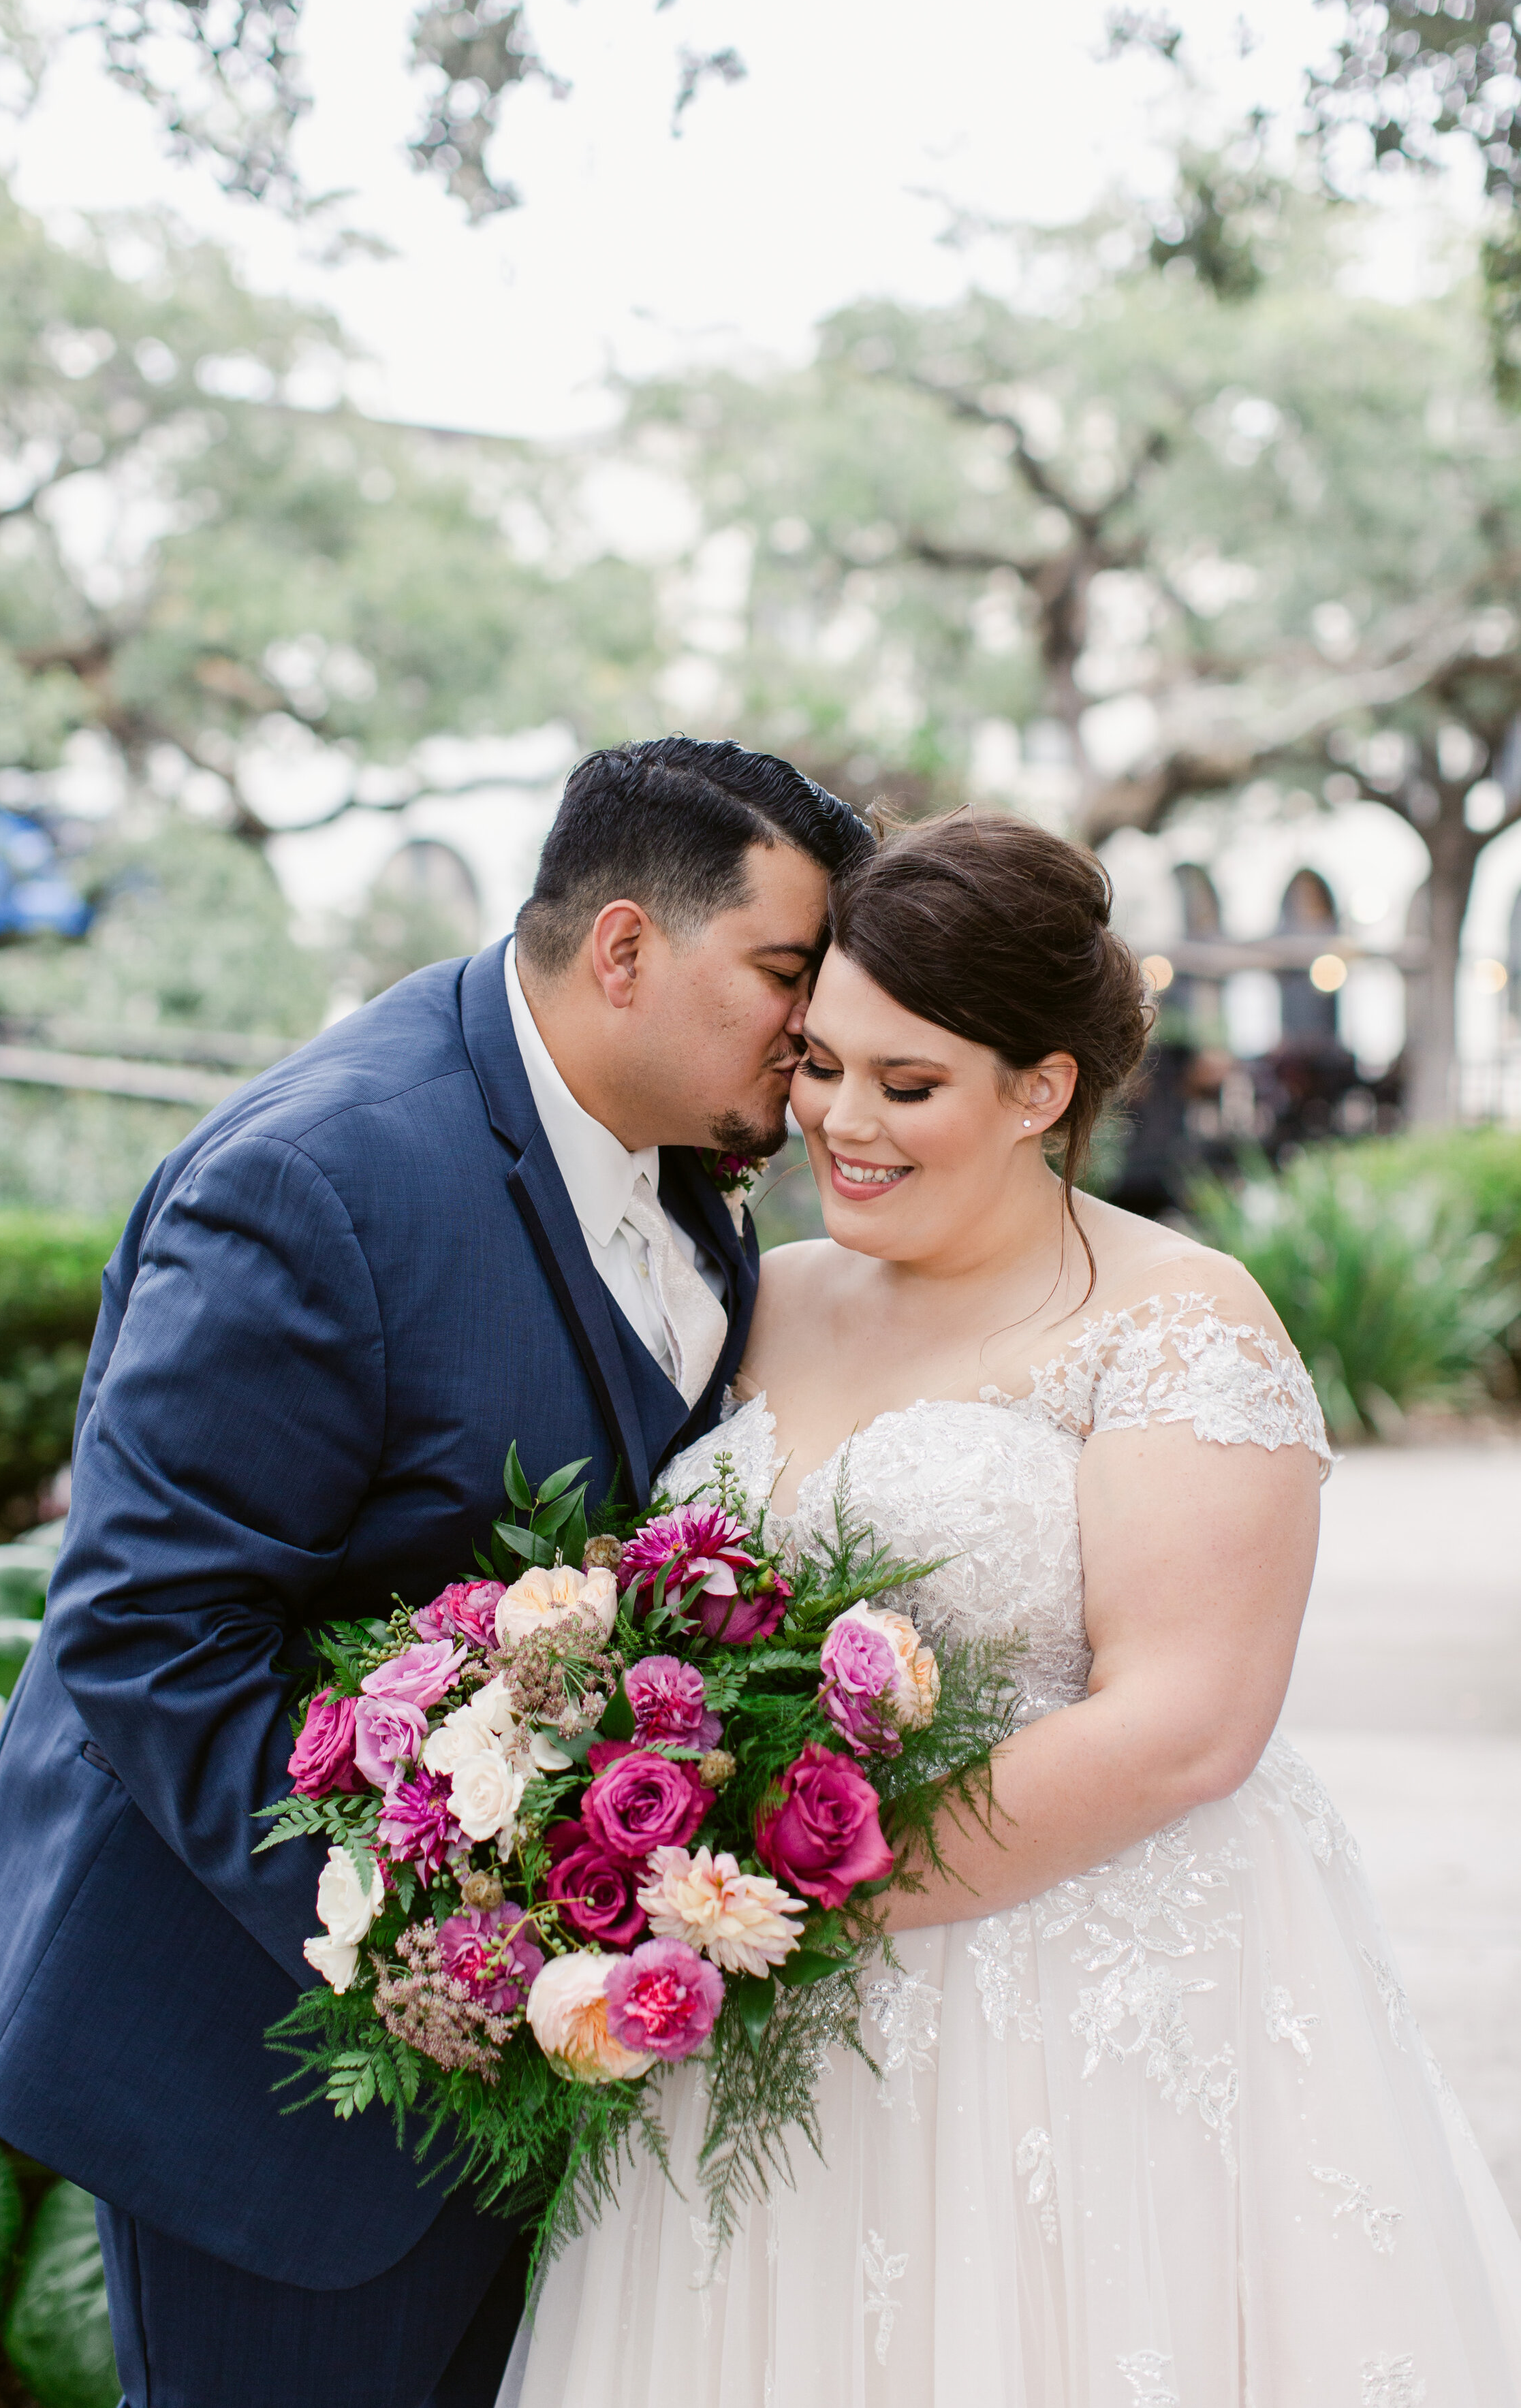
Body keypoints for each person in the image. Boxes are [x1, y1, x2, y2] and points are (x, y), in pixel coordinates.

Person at [504, 807, 1521, 2408]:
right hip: (762, 2033)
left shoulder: (1175, 1321)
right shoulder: (769, 1292)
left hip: (1071, 2012)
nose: (842, 1121)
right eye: (820, 1064)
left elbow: (1187, 1723)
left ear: (1042, 1090)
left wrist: (798, 1893)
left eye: (908, 1087)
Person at [0, 735, 872, 2408]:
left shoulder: (675, 1159)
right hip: (264, 2066)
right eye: (783, 972)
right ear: (626, 950)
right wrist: (435, 1960)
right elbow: (150, 1633)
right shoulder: (316, 1181)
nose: (810, 1033)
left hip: (539, 2056)